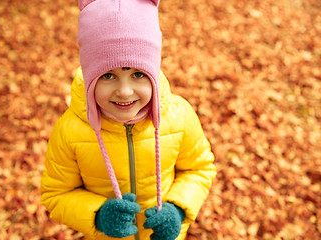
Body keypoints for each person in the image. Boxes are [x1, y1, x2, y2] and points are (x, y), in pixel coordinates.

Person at [40, 0, 217, 239]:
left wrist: (178, 209)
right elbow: (56, 194)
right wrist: (98, 216)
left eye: (138, 74)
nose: (125, 91)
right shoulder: (71, 131)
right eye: (109, 75)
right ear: (91, 77)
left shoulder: (179, 117)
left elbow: (199, 169)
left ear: (153, 74)